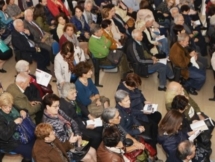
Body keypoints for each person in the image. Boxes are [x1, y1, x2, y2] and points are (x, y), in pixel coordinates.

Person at [42, 93, 97, 162]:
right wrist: (75, 139)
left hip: (73, 138)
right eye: (55, 106)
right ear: (47, 107)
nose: (58, 108)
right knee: (89, 158)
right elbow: (61, 140)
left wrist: (77, 134)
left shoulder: (58, 112)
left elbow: (72, 121)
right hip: (66, 148)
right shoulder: (48, 123)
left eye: (58, 105)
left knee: (93, 151)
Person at [60, 82, 103, 149]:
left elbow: (81, 105)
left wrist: (89, 115)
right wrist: (85, 125)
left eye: (75, 92)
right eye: (73, 94)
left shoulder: (71, 99)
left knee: (100, 126)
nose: (75, 95)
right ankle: (91, 149)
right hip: (75, 128)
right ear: (65, 94)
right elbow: (72, 122)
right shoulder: (63, 107)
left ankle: (94, 143)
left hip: (80, 120)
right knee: (97, 136)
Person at [0, 92, 34, 162]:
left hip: (20, 134)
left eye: (10, 106)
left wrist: (23, 110)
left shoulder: (12, 107)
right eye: (5, 107)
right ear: (0, 106)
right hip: (7, 142)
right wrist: (14, 122)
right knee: (29, 151)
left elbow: (22, 109)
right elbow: (4, 135)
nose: (8, 109)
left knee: (34, 139)